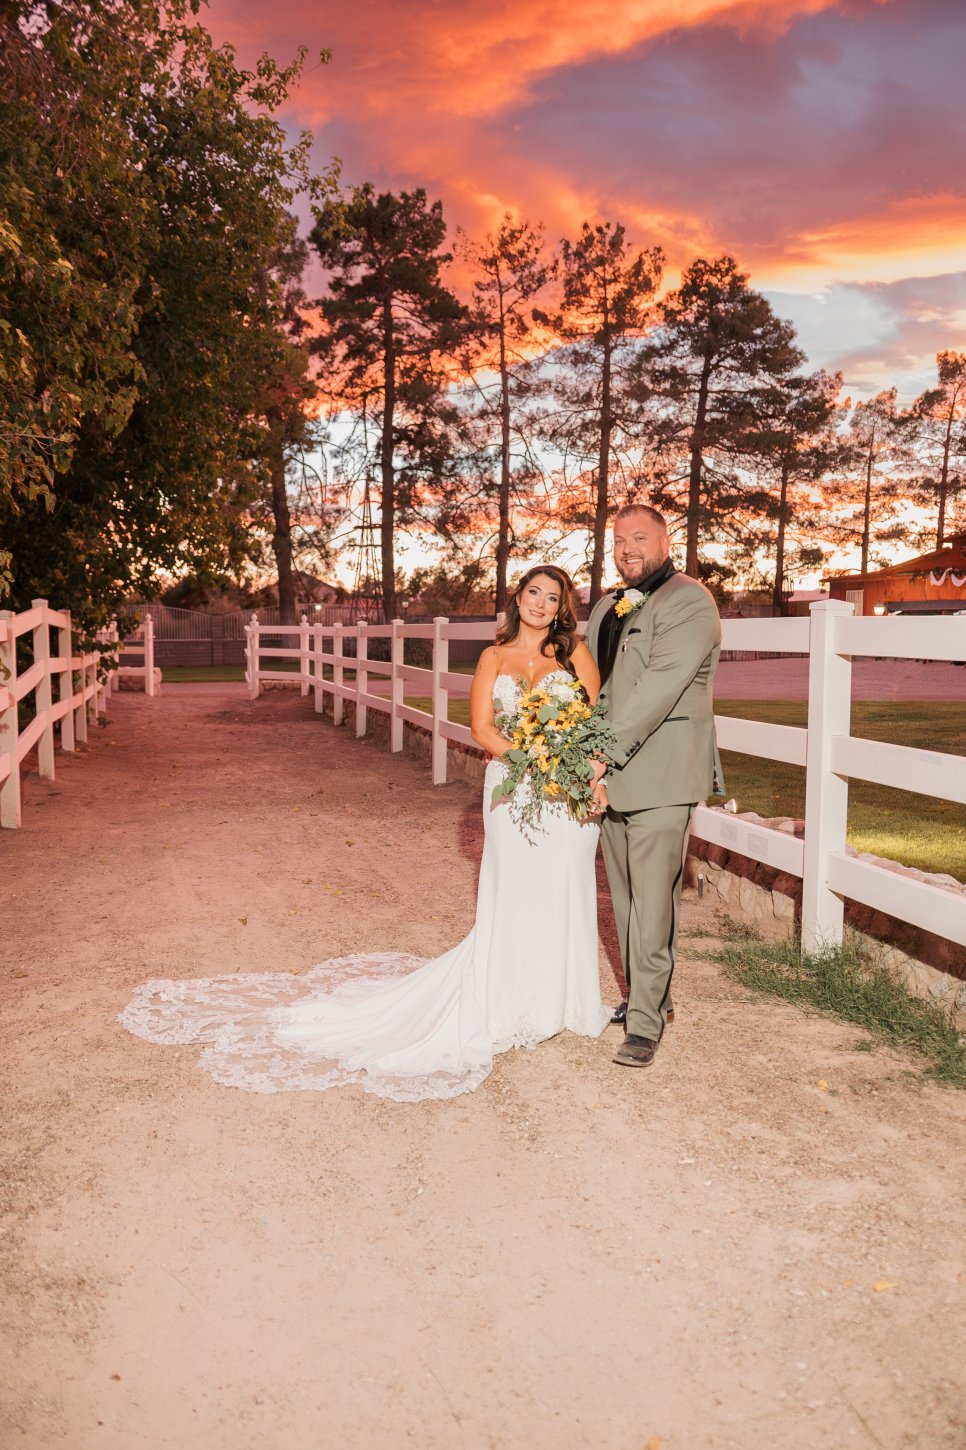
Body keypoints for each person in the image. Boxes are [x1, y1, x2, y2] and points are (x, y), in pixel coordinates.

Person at [119, 565, 610, 1100]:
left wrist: (582, 771)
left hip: (568, 792)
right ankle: (515, 1001)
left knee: (566, 885)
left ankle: (566, 1001)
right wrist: (530, 761)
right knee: (515, 893)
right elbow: (481, 727)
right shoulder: (494, 657)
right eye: (533, 592)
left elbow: (593, 720)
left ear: (563, 606)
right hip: (515, 788)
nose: (540, 603)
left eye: (552, 597)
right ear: (517, 598)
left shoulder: (575, 653)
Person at [586, 504, 723, 1069]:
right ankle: (647, 999)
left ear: (666, 541)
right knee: (622, 897)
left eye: (638, 538)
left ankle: (644, 1026)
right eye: (618, 540)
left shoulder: (689, 602)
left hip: (662, 772)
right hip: (611, 775)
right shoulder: (605, 607)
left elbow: (656, 691)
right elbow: (592, 686)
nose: (626, 549)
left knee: (653, 905)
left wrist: (598, 755)